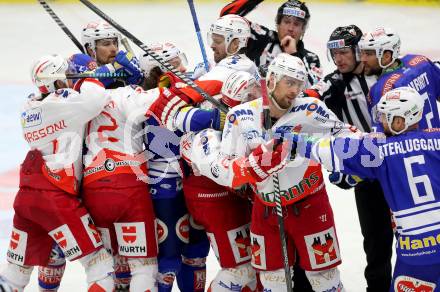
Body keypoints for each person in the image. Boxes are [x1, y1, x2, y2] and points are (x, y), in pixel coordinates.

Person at [172, 53, 352, 291]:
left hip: (309, 203)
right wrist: (254, 166)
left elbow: (343, 132)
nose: (294, 90)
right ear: (273, 80)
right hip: (266, 208)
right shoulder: (241, 117)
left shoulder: (311, 109)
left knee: (325, 278)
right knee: (272, 282)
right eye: (289, 82)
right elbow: (228, 168)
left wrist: (346, 160)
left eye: (299, 84)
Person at [289, 87, 440, 291]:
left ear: (400, 120)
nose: (380, 122)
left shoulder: (379, 149)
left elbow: (332, 149)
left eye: (387, 117)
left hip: (416, 254)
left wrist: (296, 141)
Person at [0, 54, 114, 291]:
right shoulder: (62, 104)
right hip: (56, 198)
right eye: (67, 76)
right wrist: (89, 73)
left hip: (26, 199)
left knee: (15, 273)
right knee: (100, 267)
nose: (71, 81)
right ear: (58, 82)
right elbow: (96, 99)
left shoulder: (29, 106)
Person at [308, 25, 393, 292]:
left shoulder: (387, 75)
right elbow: (308, 100)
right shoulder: (334, 84)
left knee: (416, 236)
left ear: (359, 50)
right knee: (376, 243)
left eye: (344, 52)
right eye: (335, 54)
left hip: (400, 166)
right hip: (368, 176)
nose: (339, 59)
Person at [179, 70, 260, 291]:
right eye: (252, 96)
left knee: (257, 268)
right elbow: (223, 171)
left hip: (230, 200)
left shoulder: (245, 123)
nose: (260, 99)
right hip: (216, 202)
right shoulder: (211, 132)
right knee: (240, 269)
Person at [139, 43, 211, 292]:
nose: (182, 68)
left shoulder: (181, 91)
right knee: (168, 259)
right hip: (165, 189)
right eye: (173, 64)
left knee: (197, 252)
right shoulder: (150, 99)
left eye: (180, 60)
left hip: (192, 184)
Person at [220, 0, 322, 86]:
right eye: (286, 22)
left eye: (296, 24)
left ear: (303, 29)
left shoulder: (311, 59)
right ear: (278, 24)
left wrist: (293, 56)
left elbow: (309, 91)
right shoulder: (261, 38)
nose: (291, 28)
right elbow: (227, 17)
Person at [359, 27, 440, 132]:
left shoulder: (382, 90)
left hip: (413, 148)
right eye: (362, 53)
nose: (362, 59)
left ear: (387, 56)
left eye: (368, 54)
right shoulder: (420, 61)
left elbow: (381, 138)